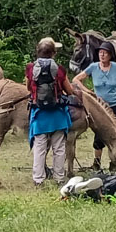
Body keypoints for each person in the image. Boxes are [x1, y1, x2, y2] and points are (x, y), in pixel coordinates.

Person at [74, 42, 116, 156]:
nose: (102, 55)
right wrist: (87, 91)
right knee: (99, 134)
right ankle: (97, 162)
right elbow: (76, 80)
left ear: (110, 55)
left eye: (105, 53)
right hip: (100, 106)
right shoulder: (93, 67)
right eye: (100, 53)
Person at [25, 38, 73, 186]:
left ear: (38, 52)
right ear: (53, 53)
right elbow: (69, 90)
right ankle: (59, 178)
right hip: (58, 114)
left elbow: (28, 88)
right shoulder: (59, 69)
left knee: (39, 148)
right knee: (59, 148)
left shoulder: (31, 68)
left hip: (40, 113)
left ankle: (38, 179)